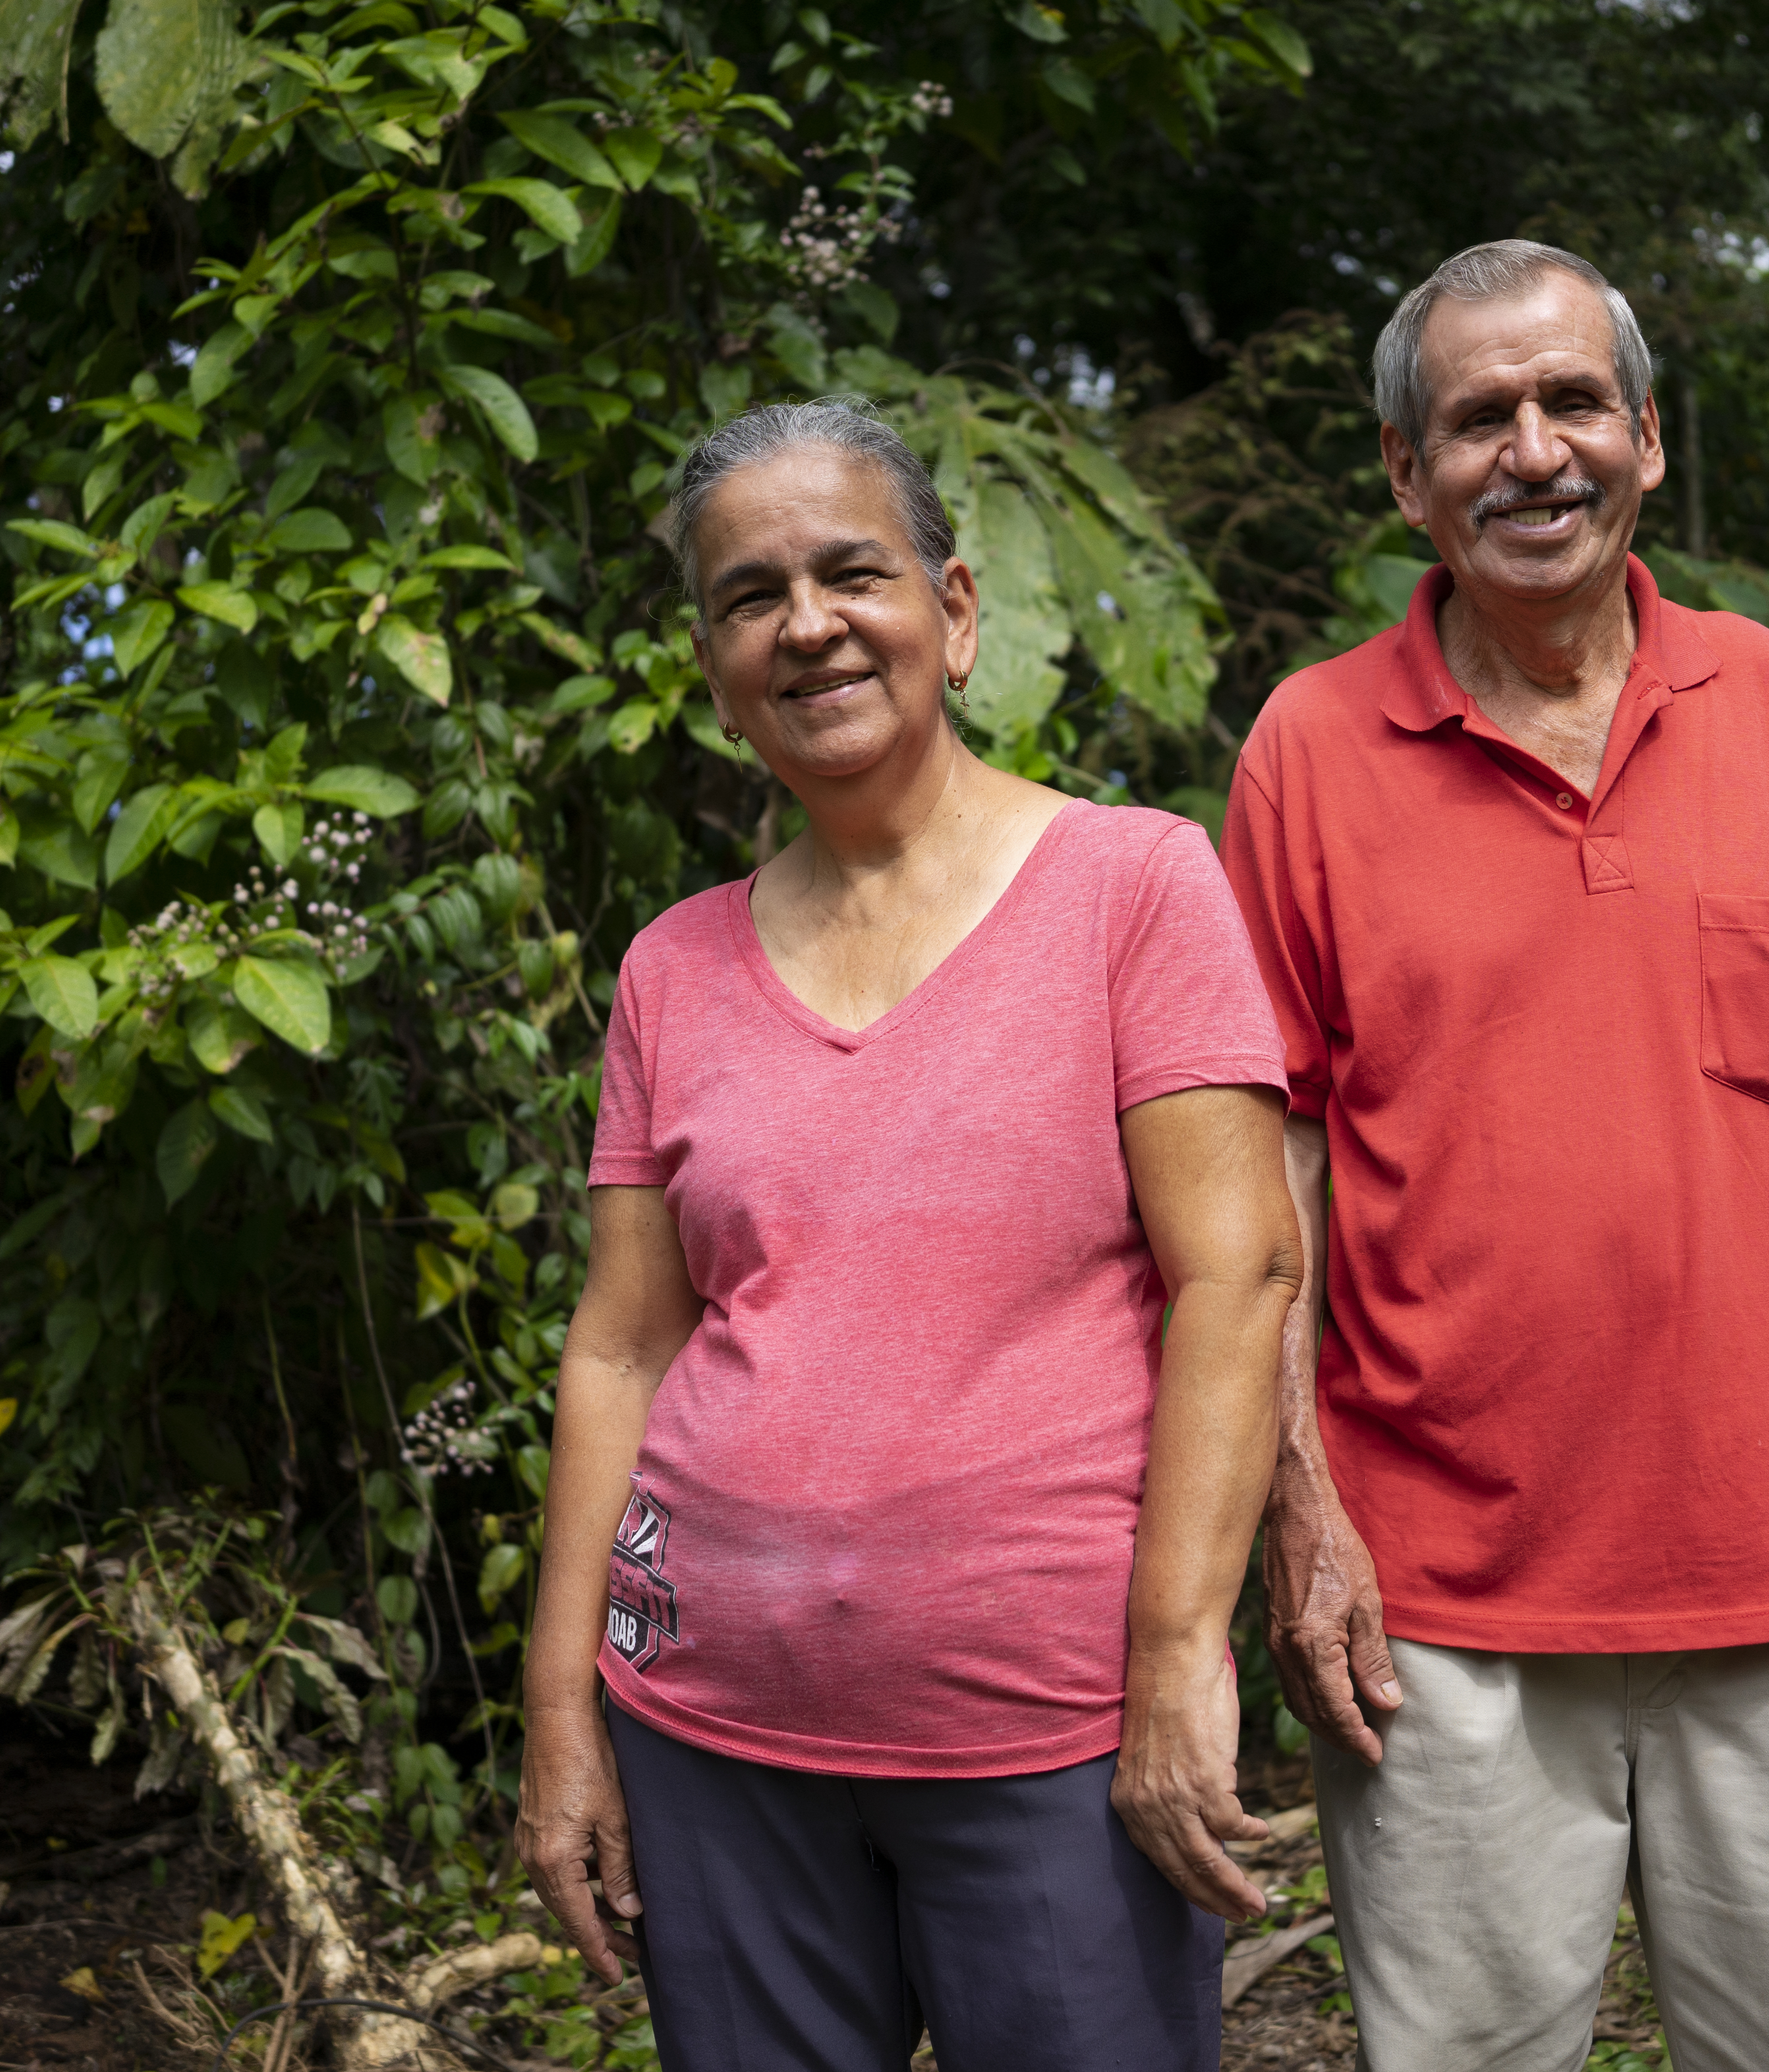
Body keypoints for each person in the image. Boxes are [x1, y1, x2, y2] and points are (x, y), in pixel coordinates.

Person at [1219, 240, 1769, 2071]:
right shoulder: (1309, 750)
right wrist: (1299, 1509)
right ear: (1406, 478)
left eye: (1575, 403)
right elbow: (1270, 1175)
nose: (1535, 450)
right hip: (1443, 1602)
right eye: (1478, 417)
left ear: (1649, 441)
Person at [517, 399, 1301, 2071]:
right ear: (714, 662)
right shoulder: (672, 966)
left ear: (952, 611)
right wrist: (561, 1716)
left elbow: (1237, 1279)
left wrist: (1178, 1666)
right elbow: (623, 1343)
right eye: (748, 597)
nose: (806, 626)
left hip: (1047, 1731)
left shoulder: (1134, 887)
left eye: (850, 573)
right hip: (711, 1734)